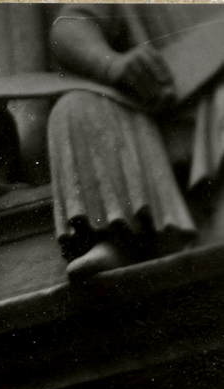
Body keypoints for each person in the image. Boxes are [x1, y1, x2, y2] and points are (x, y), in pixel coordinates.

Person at [48, 5, 222, 277]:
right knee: (75, 107)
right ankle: (120, 233)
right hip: (155, 111)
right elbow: (69, 27)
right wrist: (112, 65)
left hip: (213, 104)